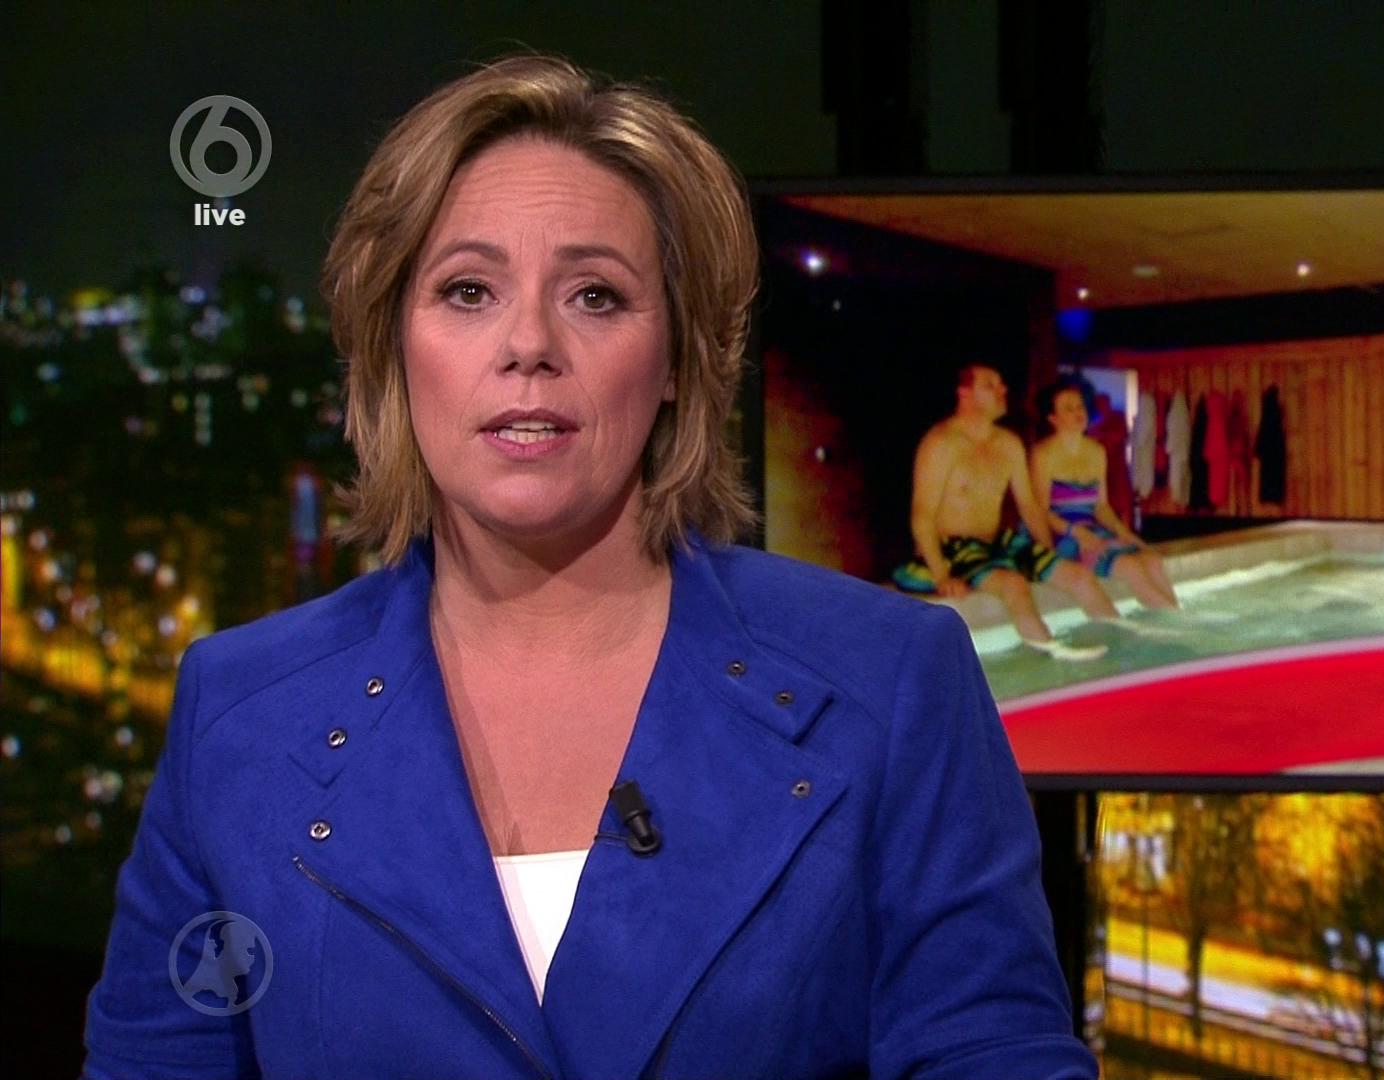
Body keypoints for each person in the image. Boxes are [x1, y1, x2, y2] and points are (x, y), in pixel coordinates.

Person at [83, 53, 1096, 1080]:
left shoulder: (895, 681)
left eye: (597, 297)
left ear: (679, 360)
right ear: (390, 347)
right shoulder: (238, 715)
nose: (529, 343)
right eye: (468, 290)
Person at [895, 364, 1116, 660]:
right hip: (953, 547)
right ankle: (1054, 653)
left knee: (1077, 575)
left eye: (1001, 384)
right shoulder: (941, 443)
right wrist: (941, 576)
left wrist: (1048, 553)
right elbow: (922, 514)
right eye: (990, 385)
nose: (1003, 390)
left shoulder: (1008, 444)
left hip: (996, 543)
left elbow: (1029, 506)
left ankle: (1122, 636)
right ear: (964, 393)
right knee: (1014, 584)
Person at [1030, 379, 1180, 610]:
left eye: (1080, 406)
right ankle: (1172, 621)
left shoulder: (1096, 452)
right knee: (1130, 567)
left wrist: (1125, 533)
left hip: (1092, 529)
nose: (1078, 412)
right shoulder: (1043, 454)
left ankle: (1176, 616)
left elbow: (1101, 506)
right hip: (1061, 535)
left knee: (1152, 561)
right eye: (1068, 408)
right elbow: (1041, 511)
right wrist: (1077, 533)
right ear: (1053, 418)